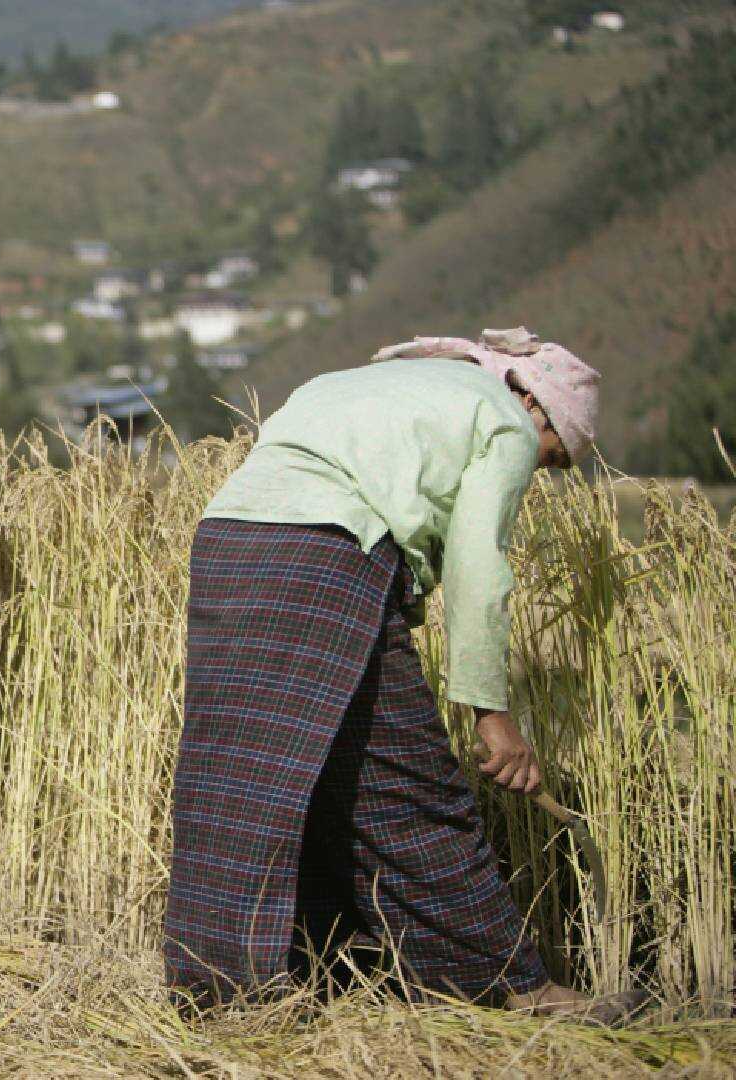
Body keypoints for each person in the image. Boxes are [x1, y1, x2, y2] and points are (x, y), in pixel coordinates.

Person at [163, 327, 643, 1022]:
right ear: (541, 413)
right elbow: (481, 574)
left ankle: (228, 990)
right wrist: (491, 713)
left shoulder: (363, 379)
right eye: (553, 459)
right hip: (322, 553)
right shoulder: (504, 421)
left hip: (229, 544)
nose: (539, 472)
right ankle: (516, 988)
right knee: (412, 783)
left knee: (253, 777)